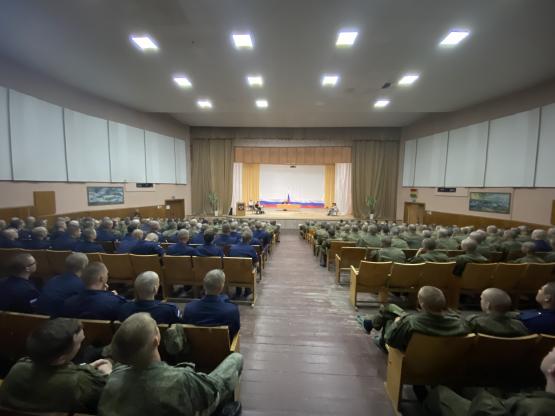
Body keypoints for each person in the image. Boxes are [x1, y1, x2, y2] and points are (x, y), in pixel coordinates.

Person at [97, 312, 243, 416]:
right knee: (236, 359)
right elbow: (213, 388)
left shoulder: (114, 378)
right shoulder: (181, 379)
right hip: (195, 399)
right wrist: (235, 359)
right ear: (156, 340)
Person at [0, 318, 111, 414]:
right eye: (80, 342)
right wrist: (108, 374)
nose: (81, 344)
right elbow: (110, 393)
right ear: (61, 358)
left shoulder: (18, 368)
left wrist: (85, 369)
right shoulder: (79, 382)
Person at [424, 346, 555, 415]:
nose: (549, 351)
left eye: (552, 351)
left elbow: (485, 411)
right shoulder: (537, 402)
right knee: (473, 384)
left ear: (553, 369)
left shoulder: (534, 407)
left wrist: (486, 398)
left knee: (439, 392)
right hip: (501, 404)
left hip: (481, 411)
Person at [376, 286, 470, 352]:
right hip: (443, 358)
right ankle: (372, 323)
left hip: (411, 360)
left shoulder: (410, 323)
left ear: (422, 304)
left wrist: (396, 323)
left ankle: (377, 333)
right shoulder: (460, 323)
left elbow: (391, 341)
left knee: (389, 318)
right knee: (391, 309)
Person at [183, 270, 241, 340]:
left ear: (204, 286)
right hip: (223, 345)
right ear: (221, 287)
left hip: (196, 345)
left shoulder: (189, 308)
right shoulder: (232, 310)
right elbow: (235, 331)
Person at [61, 262, 127, 320]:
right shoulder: (115, 302)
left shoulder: (68, 303)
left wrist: (105, 294)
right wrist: (112, 296)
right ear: (101, 278)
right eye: (107, 274)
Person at [229, 231, 259, 299]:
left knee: (237, 268)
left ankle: (238, 291)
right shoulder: (251, 249)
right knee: (251, 269)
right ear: (250, 239)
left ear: (241, 238)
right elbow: (257, 264)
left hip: (233, 274)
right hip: (246, 275)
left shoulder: (232, 248)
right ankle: (247, 291)